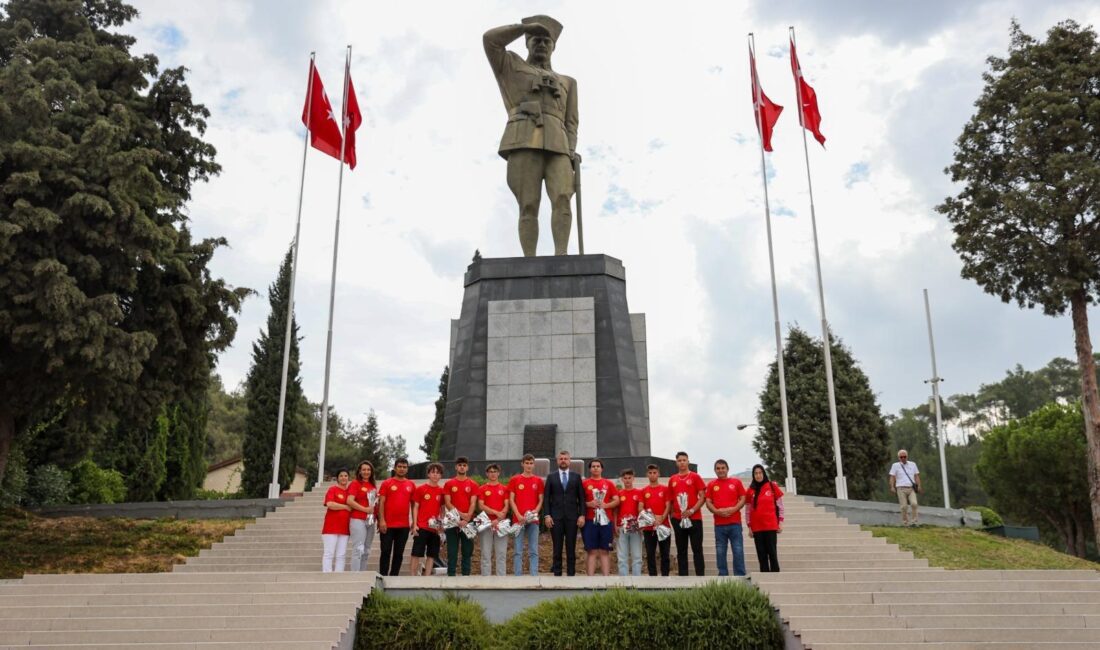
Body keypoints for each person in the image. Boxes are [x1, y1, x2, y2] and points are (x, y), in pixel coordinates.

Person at [483, 16, 579, 257]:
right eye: (537, 39)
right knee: (528, 205)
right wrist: (524, 27)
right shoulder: (509, 65)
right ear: (527, 42)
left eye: (547, 41)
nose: (542, 45)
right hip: (523, 139)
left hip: (559, 146)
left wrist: (570, 151)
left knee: (562, 199)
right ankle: (529, 261)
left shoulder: (568, 82)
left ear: (554, 47)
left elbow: (571, 122)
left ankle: (562, 256)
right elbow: (490, 40)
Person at [544, 449, 585, 576]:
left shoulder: (576, 477)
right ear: (557, 461)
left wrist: (582, 515)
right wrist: (547, 515)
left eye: (565, 459)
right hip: (555, 517)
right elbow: (546, 498)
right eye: (561, 459)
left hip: (572, 517)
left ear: (569, 461)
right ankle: (557, 573)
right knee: (557, 547)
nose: (563, 461)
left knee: (571, 546)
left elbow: (581, 498)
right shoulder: (551, 477)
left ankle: (571, 573)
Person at [706, 459, 747, 577]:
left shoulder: (736, 482)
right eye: (718, 468)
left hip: (735, 524)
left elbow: (743, 498)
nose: (721, 470)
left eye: (723, 468)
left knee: (738, 550)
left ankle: (740, 575)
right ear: (715, 470)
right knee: (720, 551)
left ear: (727, 469)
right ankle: (722, 575)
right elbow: (708, 501)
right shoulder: (711, 485)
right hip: (719, 525)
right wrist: (716, 511)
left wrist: (734, 509)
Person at [668, 451, 706, 576]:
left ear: (688, 461)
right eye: (679, 460)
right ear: (676, 463)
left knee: (697, 549)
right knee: (681, 550)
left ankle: (700, 577)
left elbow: (702, 496)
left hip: (694, 518)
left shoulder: (695, 477)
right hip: (678, 519)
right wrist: (673, 517)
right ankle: (683, 577)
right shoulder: (672, 479)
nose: (682, 462)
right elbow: (670, 500)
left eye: (684, 460)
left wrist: (692, 510)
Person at [508, 453, 545, 576]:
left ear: (534, 465)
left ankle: (534, 575)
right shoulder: (515, 479)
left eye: (531, 463)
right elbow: (512, 499)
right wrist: (518, 515)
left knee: (533, 550)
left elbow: (540, 500)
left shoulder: (538, 481)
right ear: (522, 464)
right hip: (518, 520)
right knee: (518, 550)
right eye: (526, 463)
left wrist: (536, 511)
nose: (529, 465)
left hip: (533, 521)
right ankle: (518, 576)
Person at [377, 457, 415, 576]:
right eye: (399, 466)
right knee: (385, 551)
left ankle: (394, 576)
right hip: (387, 525)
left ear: (407, 469)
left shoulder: (411, 485)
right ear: (395, 468)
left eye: (404, 467)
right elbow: (381, 502)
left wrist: (414, 522)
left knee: (399, 553)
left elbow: (414, 505)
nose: (402, 469)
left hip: (403, 526)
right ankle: (382, 576)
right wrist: (381, 520)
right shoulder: (387, 483)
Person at [581, 458, 619, 576]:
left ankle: (605, 580)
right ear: (590, 469)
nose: (596, 468)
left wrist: (606, 505)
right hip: (589, 521)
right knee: (591, 551)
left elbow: (617, 500)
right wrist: (589, 504)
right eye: (593, 466)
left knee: (604, 551)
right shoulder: (584, 484)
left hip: (605, 521)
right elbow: (579, 501)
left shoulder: (608, 484)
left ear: (602, 468)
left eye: (598, 466)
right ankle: (590, 580)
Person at [745, 464, 784, 573]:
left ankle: (776, 576)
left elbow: (780, 506)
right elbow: (748, 510)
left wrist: (780, 522)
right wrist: (749, 526)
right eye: (756, 473)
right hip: (757, 528)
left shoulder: (772, 486)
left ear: (764, 473)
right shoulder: (750, 491)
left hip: (770, 526)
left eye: (760, 473)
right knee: (761, 555)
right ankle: (764, 578)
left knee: (772, 553)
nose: (758, 475)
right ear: (753, 475)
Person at [443, 457, 478, 576]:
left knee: (467, 551)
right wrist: (461, 516)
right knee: (452, 551)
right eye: (459, 465)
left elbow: (473, 502)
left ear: (467, 467)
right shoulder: (449, 484)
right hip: (453, 521)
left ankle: (466, 576)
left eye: (464, 465)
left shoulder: (473, 484)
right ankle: (451, 576)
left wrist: (468, 517)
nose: (462, 467)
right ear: (456, 467)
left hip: (469, 522)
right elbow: (448, 503)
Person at [410, 463, 445, 576]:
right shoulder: (421, 489)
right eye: (433, 472)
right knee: (416, 553)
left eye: (438, 473)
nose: (435, 475)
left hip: (434, 528)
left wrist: (441, 525)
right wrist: (415, 524)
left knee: (431, 555)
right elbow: (415, 507)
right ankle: (412, 577)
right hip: (421, 526)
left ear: (440, 476)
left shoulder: (441, 491)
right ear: (428, 474)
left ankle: (427, 578)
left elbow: (442, 509)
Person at [478, 464, 510, 576]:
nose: (492, 473)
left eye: (495, 471)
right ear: (487, 474)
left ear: (498, 473)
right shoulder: (482, 488)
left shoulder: (504, 488)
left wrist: (498, 519)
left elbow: (507, 506)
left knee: (501, 554)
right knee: (485, 554)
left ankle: (501, 581)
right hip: (486, 524)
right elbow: (481, 506)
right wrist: (496, 513)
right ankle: (486, 581)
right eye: (490, 471)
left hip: (501, 524)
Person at [641, 464, 672, 576]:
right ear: (647, 475)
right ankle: (652, 576)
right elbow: (641, 507)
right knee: (650, 553)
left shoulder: (665, 489)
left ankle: (665, 576)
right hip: (649, 527)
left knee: (665, 553)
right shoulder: (643, 491)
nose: (652, 475)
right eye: (650, 473)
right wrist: (652, 518)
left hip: (664, 526)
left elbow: (668, 505)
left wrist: (662, 517)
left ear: (658, 474)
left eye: (654, 472)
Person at [346, 461, 377, 572]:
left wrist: (375, 517)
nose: (366, 472)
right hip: (358, 519)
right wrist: (365, 510)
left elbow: (373, 504)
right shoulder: (355, 483)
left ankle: (362, 573)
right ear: (359, 471)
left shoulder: (373, 485)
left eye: (368, 470)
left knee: (367, 549)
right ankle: (355, 575)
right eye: (364, 469)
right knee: (358, 549)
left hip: (370, 521)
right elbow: (349, 501)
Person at [321, 469, 352, 573]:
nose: (344, 478)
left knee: (341, 555)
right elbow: (330, 504)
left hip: (344, 529)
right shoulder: (332, 489)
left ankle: (339, 575)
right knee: (329, 553)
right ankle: (327, 575)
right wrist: (345, 506)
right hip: (331, 528)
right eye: (341, 476)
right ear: (337, 478)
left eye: (346, 476)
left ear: (348, 478)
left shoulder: (349, 492)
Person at [615, 468, 643, 576]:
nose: (627, 480)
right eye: (625, 478)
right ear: (622, 479)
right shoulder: (619, 493)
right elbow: (616, 511)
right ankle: (624, 582)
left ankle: (637, 582)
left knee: (636, 556)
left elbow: (641, 510)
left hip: (635, 527)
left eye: (629, 478)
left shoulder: (639, 492)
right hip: (621, 527)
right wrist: (615, 525)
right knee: (622, 556)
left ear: (633, 478)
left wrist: (641, 525)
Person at [889, 449, 921, 526]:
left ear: (907, 456)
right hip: (900, 488)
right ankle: (905, 522)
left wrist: (919, 485)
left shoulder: (913, 464)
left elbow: (916, 476)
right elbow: (892, 477)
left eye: (904, 456)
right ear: (899, 457)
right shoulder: (895, 465)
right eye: (901, 457)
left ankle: (914, 522)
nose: (903, 458)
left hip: (911, 488)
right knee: (904, 506)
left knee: (914, 504)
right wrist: (892, 487)